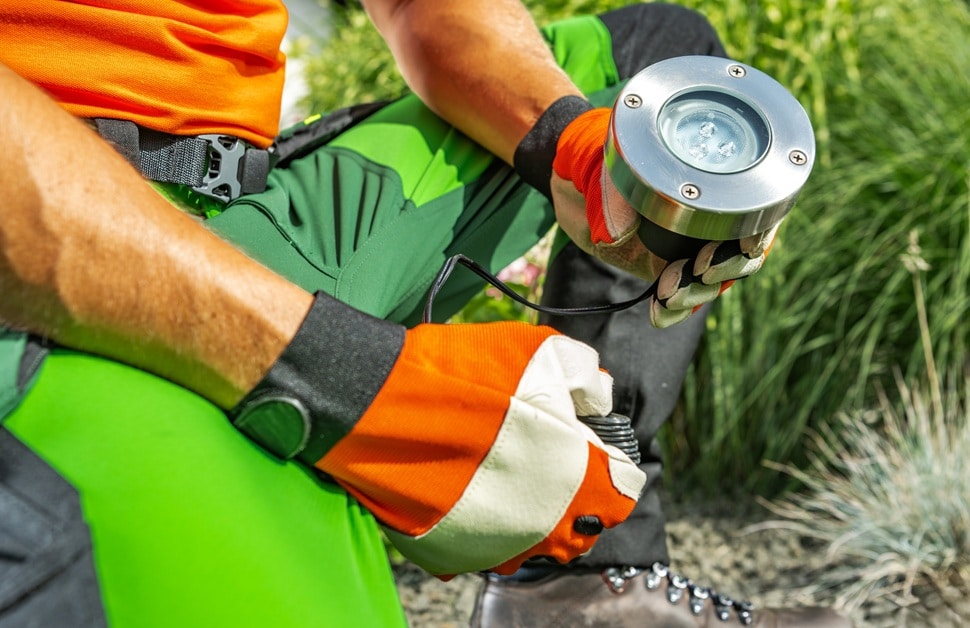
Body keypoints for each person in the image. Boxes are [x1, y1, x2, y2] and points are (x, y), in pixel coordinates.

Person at [0, 1, 850, 626]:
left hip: (241, 202)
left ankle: (577, 591)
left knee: (655, 62)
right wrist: (346, 377)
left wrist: (573, 146)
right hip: (39, 251)